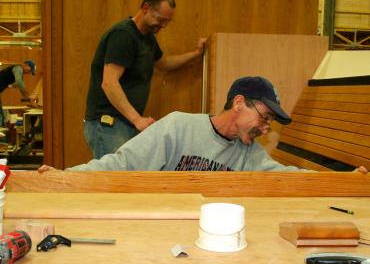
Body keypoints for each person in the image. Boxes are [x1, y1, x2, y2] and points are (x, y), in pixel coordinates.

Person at [39, 76, 368, 173]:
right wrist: (66, 178)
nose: (266, 128)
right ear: (239, 103)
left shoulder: (248, 155)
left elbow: (288, 179)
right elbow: (122, 163)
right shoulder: (178, 127)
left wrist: (344, 180)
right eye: (265, 118)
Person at [84, 0, 207, 159]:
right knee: (116, 182)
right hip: (109, 125)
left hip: (124, 123)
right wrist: (137, 120)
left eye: (167, 22)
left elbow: (163, 64)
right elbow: (109, 82)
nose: (163, 26)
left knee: (126, 180)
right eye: (160, 20)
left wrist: (196, 54)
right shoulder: (124, 35)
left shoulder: (147, 38)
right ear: (146, 8)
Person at [0, 60, 38, 126]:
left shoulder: (19, 73)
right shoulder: (18, 68)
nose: (29, 73)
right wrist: (29, 97)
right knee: (1, 117)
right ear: (26, 65)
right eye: (30, 70)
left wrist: (29, 100)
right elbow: (20, 83)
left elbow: (20, 86)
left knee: (2, 116)